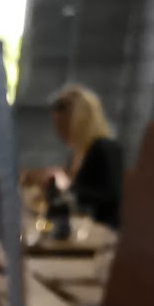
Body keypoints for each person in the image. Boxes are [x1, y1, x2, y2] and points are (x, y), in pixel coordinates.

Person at [45, 85, 124, 229]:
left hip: (101, 232)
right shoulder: (79, 152)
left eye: (62, 126)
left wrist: (68, 190)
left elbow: (111, 196)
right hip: (83, 228)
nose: (60, 134)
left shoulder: (105, 148)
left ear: (80, 120)